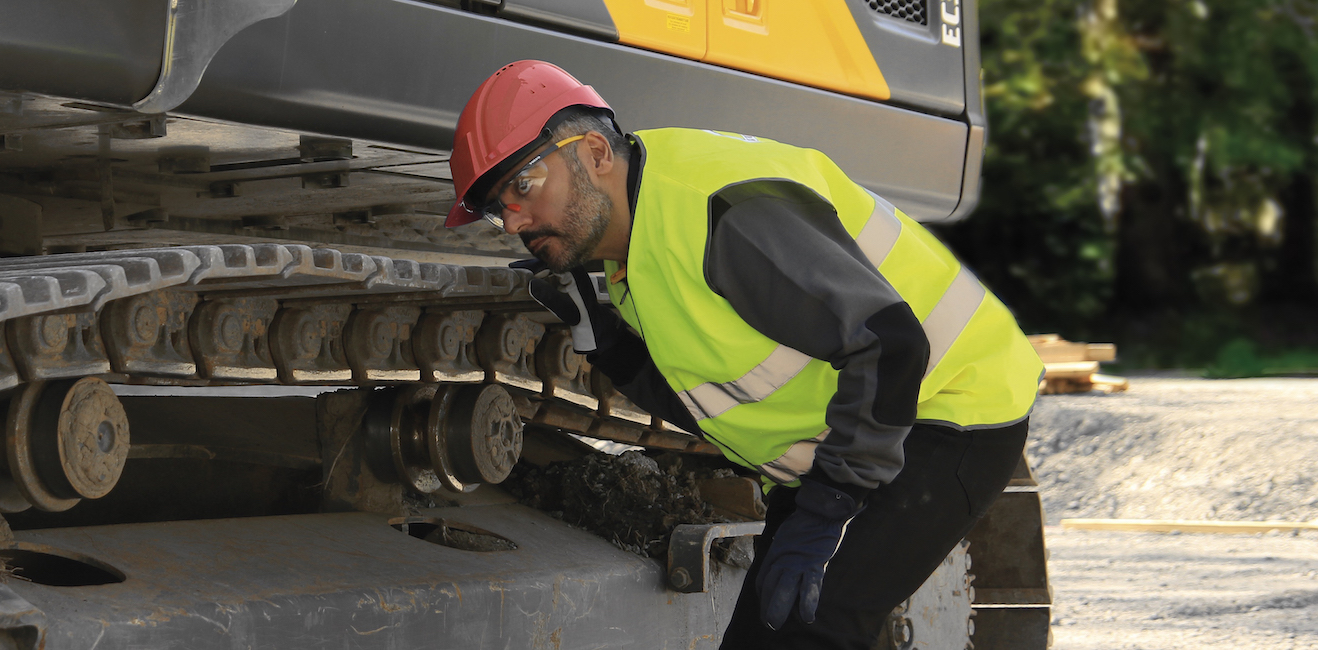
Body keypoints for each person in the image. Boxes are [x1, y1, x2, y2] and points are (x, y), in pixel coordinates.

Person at [444, 60, 1044, 649]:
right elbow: (714, 404)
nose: (514, 220)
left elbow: (891, 342)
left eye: (522, 185)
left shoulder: (720, 215)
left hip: (945, 411)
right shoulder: (636, 248)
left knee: (811, 629)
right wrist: (604, 342)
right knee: (773, 632)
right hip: (857, 436)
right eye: (499, 207)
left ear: (597, 154)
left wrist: (827, 509)